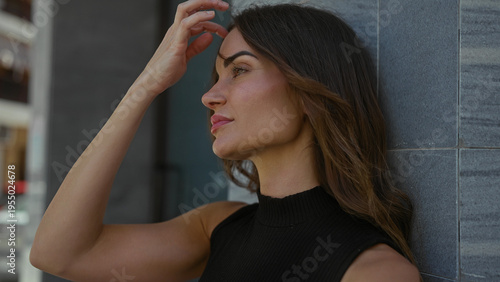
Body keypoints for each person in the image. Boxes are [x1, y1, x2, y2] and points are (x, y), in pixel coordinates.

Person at [30, 0, 421, 281]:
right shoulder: (216, 228)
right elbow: (58, 254)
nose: (210, 96)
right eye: (217, 75)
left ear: (309, 95)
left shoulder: (374, 272)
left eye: (239, 70)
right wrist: (147, 84)